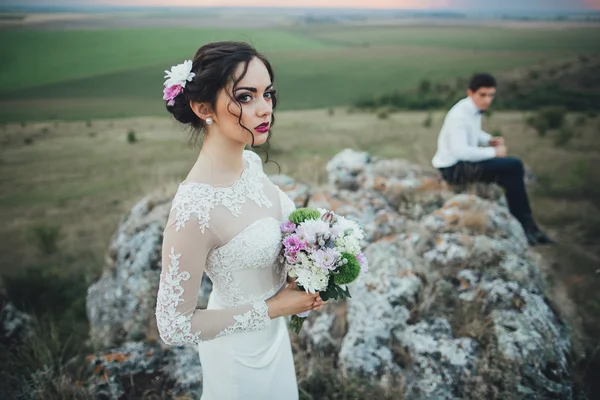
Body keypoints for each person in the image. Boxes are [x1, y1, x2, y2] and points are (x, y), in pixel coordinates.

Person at [154, 42, 326, 400]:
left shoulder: (251, 164)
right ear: (204, 108)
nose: (265, 109)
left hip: (274, 342)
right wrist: (274, 307)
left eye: (268, 94)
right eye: (245, 97)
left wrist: (306, 274)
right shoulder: (194, 211)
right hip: (236, 359)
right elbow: (173, 325)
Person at [432, 73, 553, 246]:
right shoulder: (459, 116)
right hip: (454, 170)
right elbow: (461, 152)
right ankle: (527, 225)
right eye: (483, 95)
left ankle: (527, 226)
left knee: (511, 173)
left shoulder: (471, 110)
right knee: (513, 166)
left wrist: (488, 139)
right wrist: (493, 152)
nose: (487, 100)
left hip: (462, 165)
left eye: (491, 95)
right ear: (470, 93)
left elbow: (472, 134)